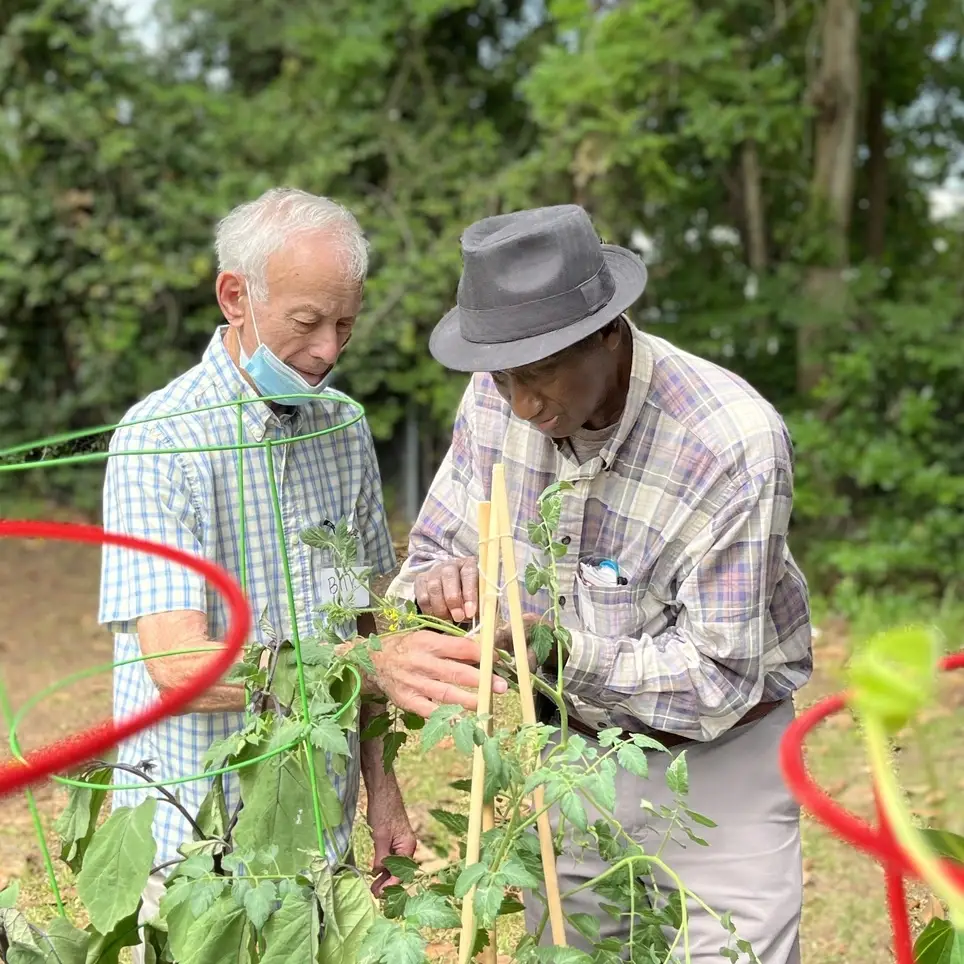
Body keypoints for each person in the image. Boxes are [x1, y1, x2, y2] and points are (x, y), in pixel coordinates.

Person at [387, 204, 812, 963]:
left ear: (609, 333)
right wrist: (437, 588)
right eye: (504, 374)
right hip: (572, 760)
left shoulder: (730, 442)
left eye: (542, 371)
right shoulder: (495, 396)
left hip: (720, 769)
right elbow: (433, 553)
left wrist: (551, 648)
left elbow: (718, 677)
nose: (521, 403)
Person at [99, 187, 505, 963]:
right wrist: (359, 667)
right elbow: (179, 665)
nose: (326, 351)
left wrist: (383, 795)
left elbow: (362, 628)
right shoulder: (158, 440)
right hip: (198, 839)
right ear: (236, 296)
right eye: (307, 324)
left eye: (344, 325)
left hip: (319, 833)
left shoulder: (342, 427)